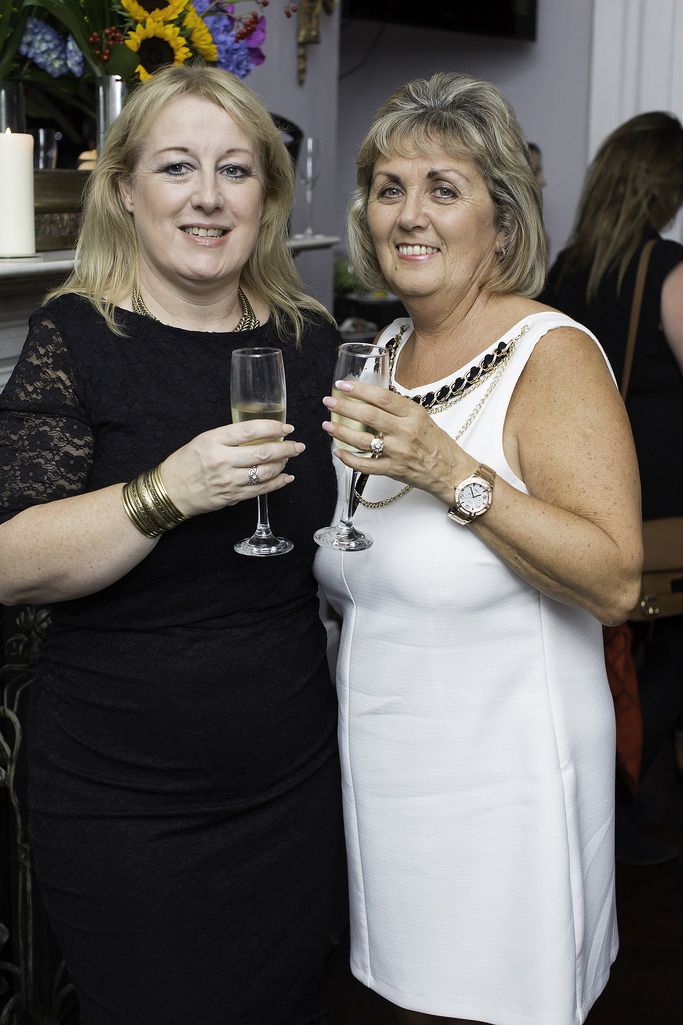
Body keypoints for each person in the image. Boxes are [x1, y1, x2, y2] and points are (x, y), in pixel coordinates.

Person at [0, 64, 344, 1025]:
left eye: (236, 171)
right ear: (124, 189)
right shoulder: (77, 334)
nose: (207, 196)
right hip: (123, 802)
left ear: (267, 197)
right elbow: (10, 559)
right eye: (177, 167)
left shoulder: (309, 343)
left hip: (288, 786)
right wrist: (166, 492)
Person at [314, 72, 643, 1025]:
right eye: (388, 188)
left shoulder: (553, 353)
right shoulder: (376, 356)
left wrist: (451, 470)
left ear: (499, 222)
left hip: (503, 789)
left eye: (442, 188)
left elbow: (615, 578)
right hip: (385, 771)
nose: (408, 214)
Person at [543, 111, 683, 863]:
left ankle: (621, 798)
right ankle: (617, 807)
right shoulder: (667, 266)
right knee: (667, 656)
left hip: (579, 490)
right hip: (658, 499)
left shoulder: (567, 268)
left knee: (614, 652)